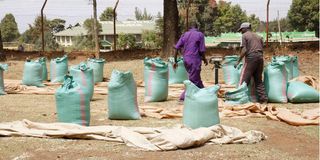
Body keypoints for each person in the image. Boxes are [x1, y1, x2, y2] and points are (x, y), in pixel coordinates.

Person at [173, 22, 208, 101]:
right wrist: (205, 59)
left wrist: (175, 61)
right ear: (197, 27)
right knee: (193, 80)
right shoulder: (200, 35)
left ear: (189, 28)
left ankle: (203, 92)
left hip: (186, 60)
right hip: (194, 59)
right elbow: (202, 50)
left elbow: (176, 48)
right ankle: (183, 97)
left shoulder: (184, 35)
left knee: (196, 77)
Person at [236, 22, 268, 104]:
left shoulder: (245, 35)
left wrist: (238, 61)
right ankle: (263, 99)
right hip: (260, 58)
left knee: (244, 79)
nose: (241, 32)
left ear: (245, 28)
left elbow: (244, 50)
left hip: (251, 58)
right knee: (258, 80)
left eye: (241, 30)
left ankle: (239, 98)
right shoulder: (258, 36)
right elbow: (262, 47)